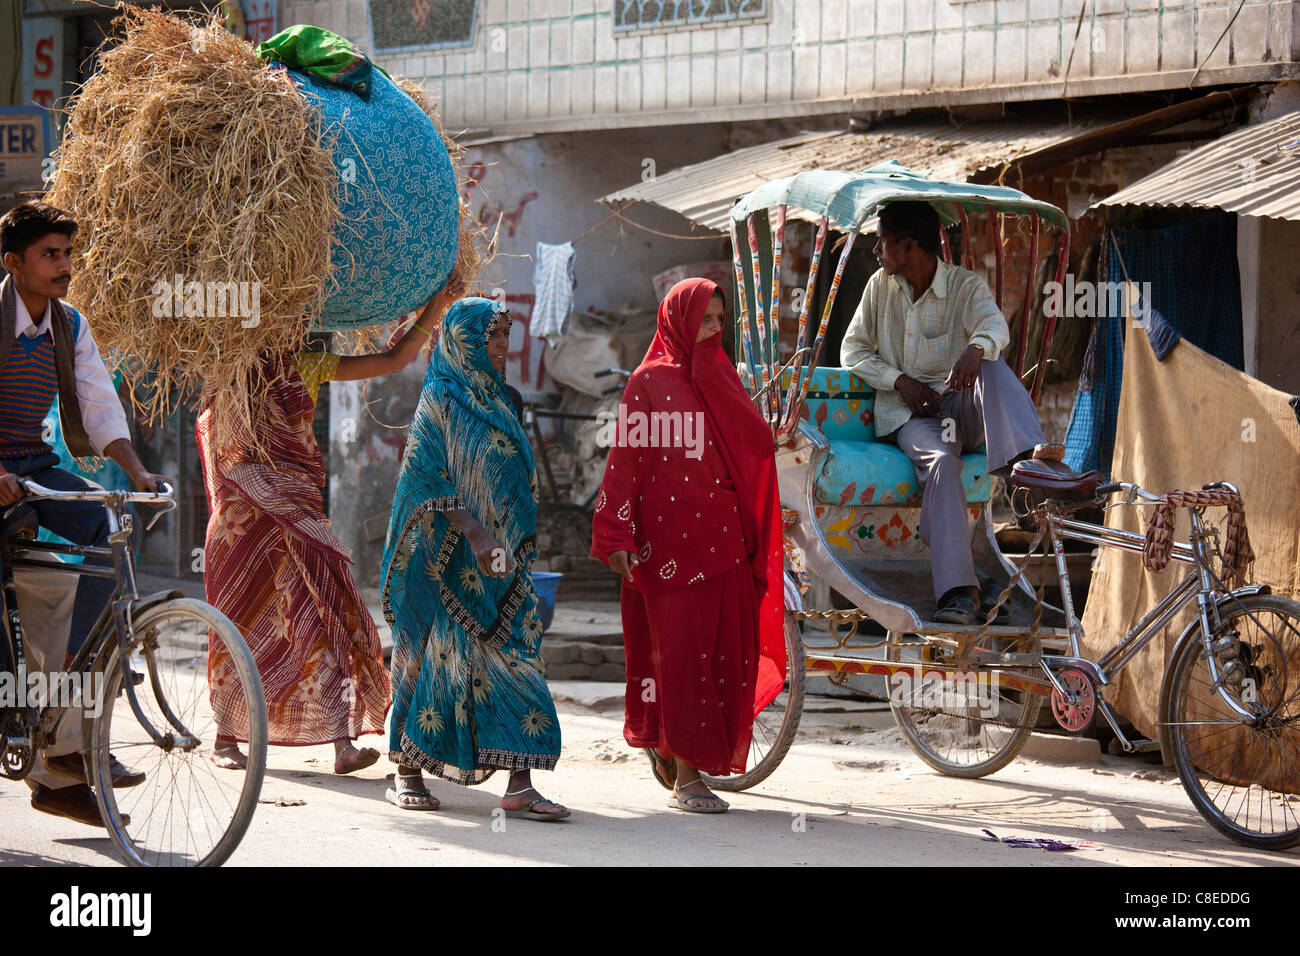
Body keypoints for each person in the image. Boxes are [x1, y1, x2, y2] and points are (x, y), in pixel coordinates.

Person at [198, 280, 460, 773]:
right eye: (288, 315)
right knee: (239, 627)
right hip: (242, 523)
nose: (299, 325)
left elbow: (394, 360)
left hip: (298, 514)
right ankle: (226, 737)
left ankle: (341, 743)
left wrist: (438, 302)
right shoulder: (230, 371)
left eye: (301, 317)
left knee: (322, 616)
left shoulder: (307, 366)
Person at [0, 200, 168, 827]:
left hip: (32, 466)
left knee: (104, 524)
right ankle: (23, 723)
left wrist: (138, 473)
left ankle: (71, 678)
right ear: (14, 263)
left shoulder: (69, 325)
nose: (64, 266)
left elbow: (100, 409)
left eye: (68, 254)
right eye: (51, 255)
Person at [591, 278, 785, 814]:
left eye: (721, 320)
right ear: (679, 320)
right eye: (705, 319)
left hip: (724, 544)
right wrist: (616, 534)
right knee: (679, 661)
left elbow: (754, 446)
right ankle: (687, 776)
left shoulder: (721, 374)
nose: (714, 329)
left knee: (725, 657)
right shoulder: (648, 382)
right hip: (665, 550)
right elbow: (625, 461)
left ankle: (676, 751)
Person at [381, 297, 568, 819]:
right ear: (464, 340)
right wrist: (475, 533)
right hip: (443, 558)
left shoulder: (506, 397)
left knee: (516, 654)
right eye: (492, 338)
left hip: (503, 561)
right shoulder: (439, 397)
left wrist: (507, 537)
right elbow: (424, 476)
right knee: (426, 657)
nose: (503, 348)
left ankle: (521, 783)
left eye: (507, 336)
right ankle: (406, 770)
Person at [841, 201, 1062, 625]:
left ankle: (1026, 467)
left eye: (882, 241)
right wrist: (899, 381)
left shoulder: (964, 286)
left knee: (993, 365)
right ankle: (959, 592)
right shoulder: (878, 288)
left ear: (908, 245)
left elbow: (995, 327)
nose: (876, 251)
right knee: (942, 462)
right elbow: (852, 351)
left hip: (961, 407)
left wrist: (976, 350)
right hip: (916, 420)